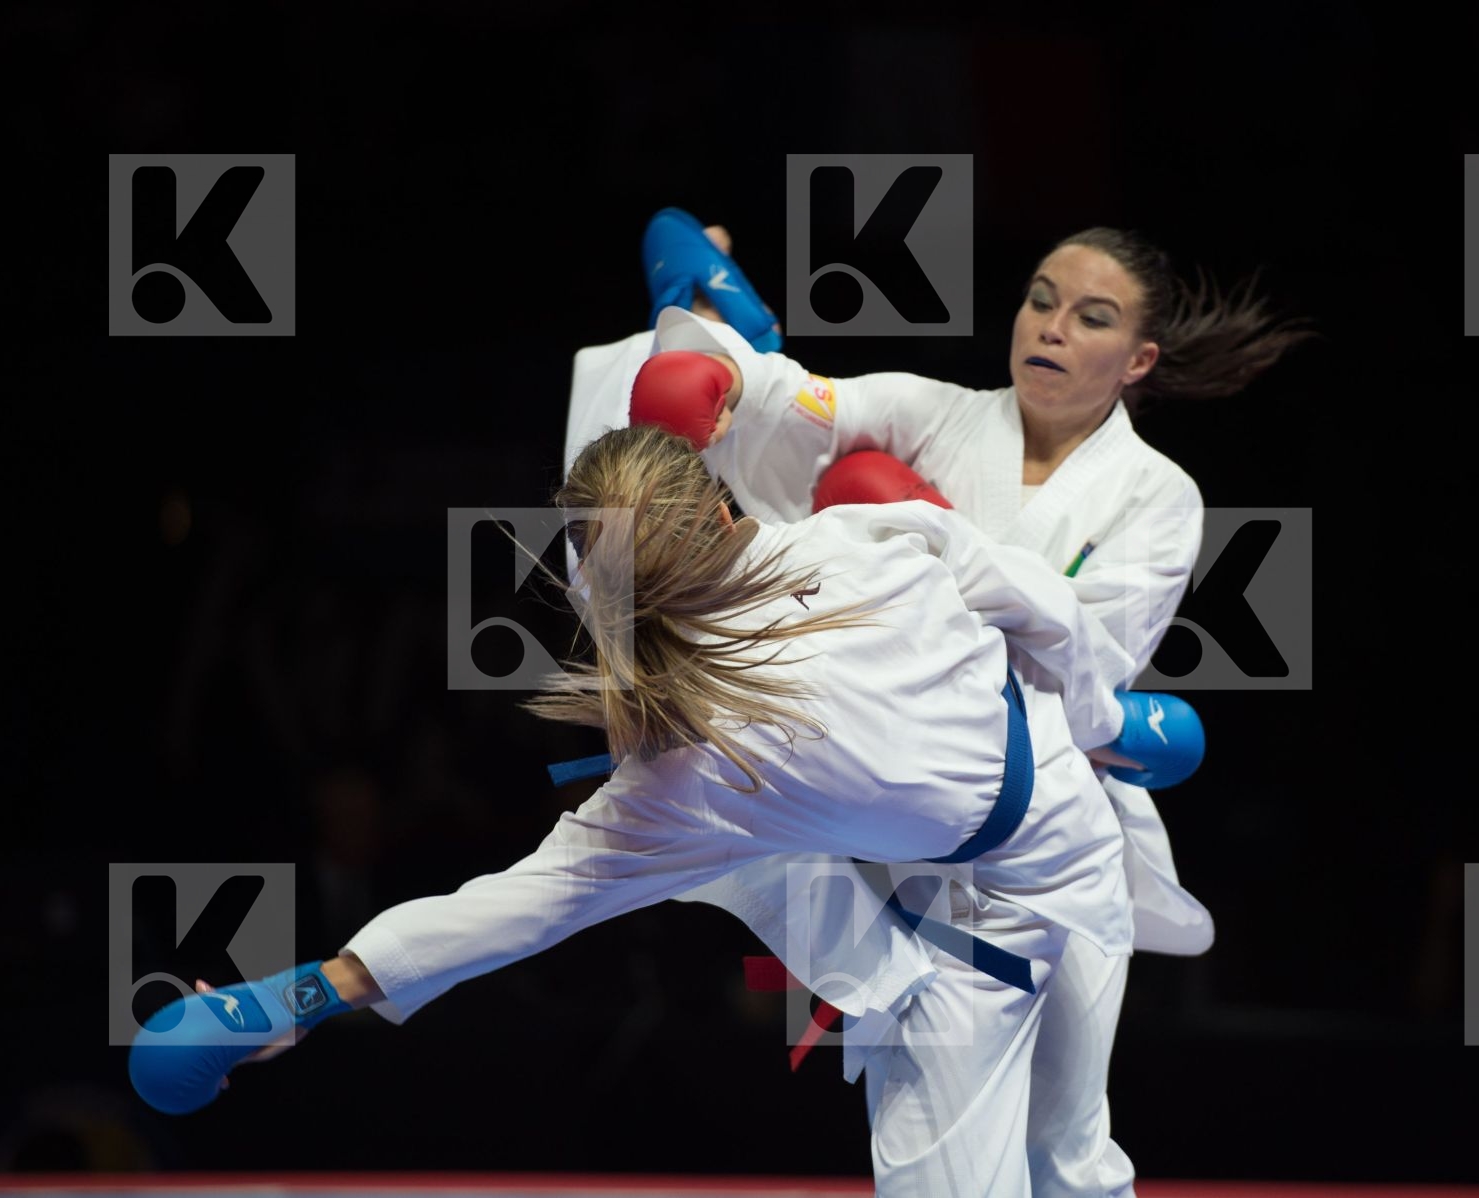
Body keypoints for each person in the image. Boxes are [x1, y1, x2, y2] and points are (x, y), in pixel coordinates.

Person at [129, 423, 1201, 1196]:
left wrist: (300, 996)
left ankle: (901, 987)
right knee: (1074, 1160)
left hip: (994, 909)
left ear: (606, 592)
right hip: (1057, 815)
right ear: (725, 503)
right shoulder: (878, 535)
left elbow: (514, 910)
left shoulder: (683, 784)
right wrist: (1111, 723)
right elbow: (1041, 606)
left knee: (1052, 1160)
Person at [563, 214, 1313, 1193]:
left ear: (1139, 359)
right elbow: (793, 402)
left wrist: (937, 547)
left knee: (1067, 1148)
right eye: (1041, 298)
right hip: (903, 812)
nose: (1051, 326)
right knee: (932, 1137)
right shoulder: (934, 411)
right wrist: (717, 354)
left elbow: (1084, 669)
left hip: (1057, 832)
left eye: (1091, 317)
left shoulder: (1157, 495)